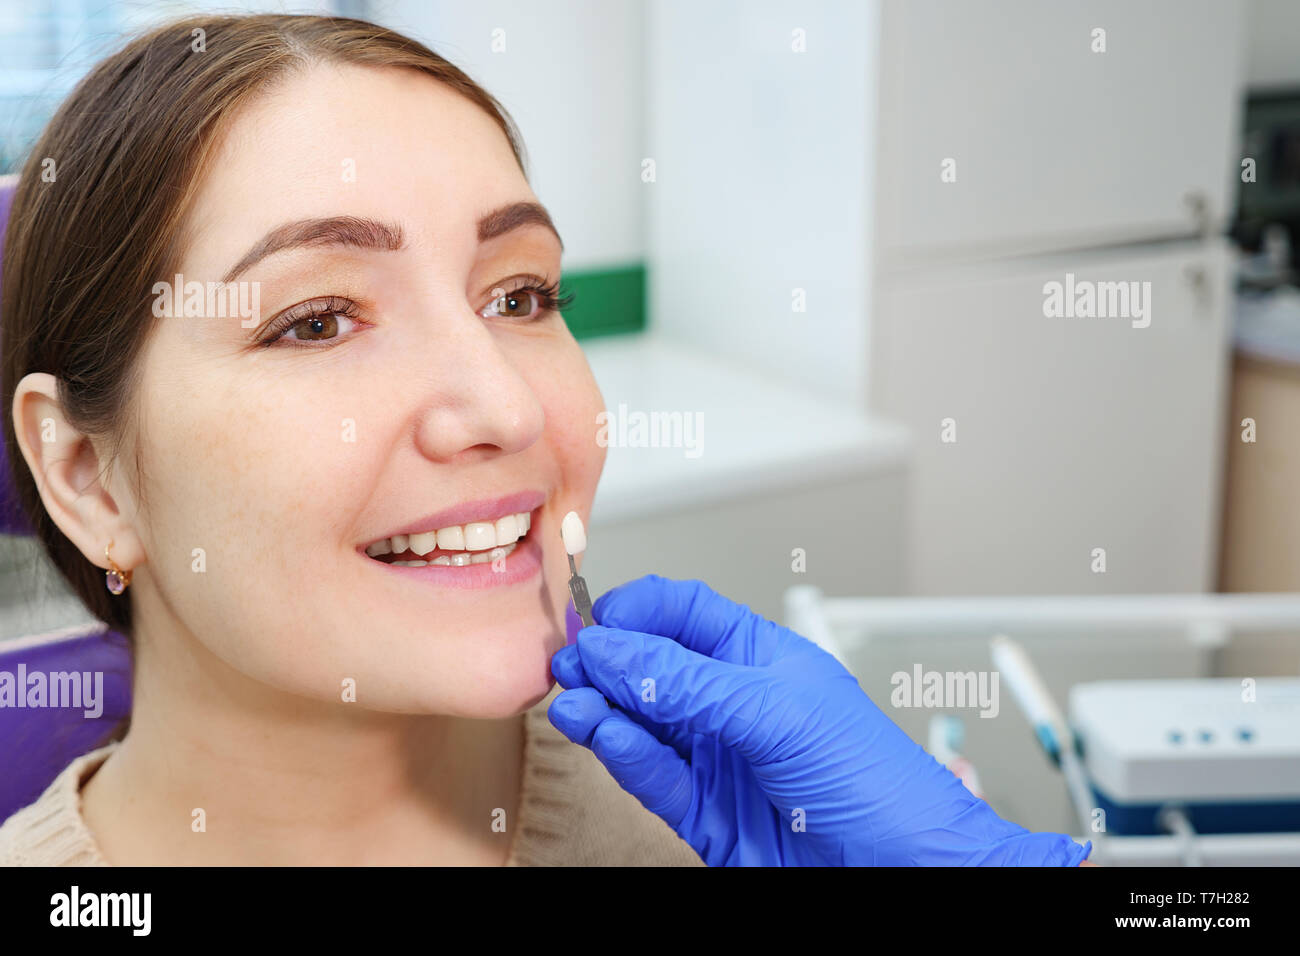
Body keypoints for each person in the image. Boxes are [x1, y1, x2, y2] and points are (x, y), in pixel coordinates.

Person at [0, 13, 1089, 867]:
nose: (507, 409)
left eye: (518, 295)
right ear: (87, 474)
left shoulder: (748, 823)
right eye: (318, 319)